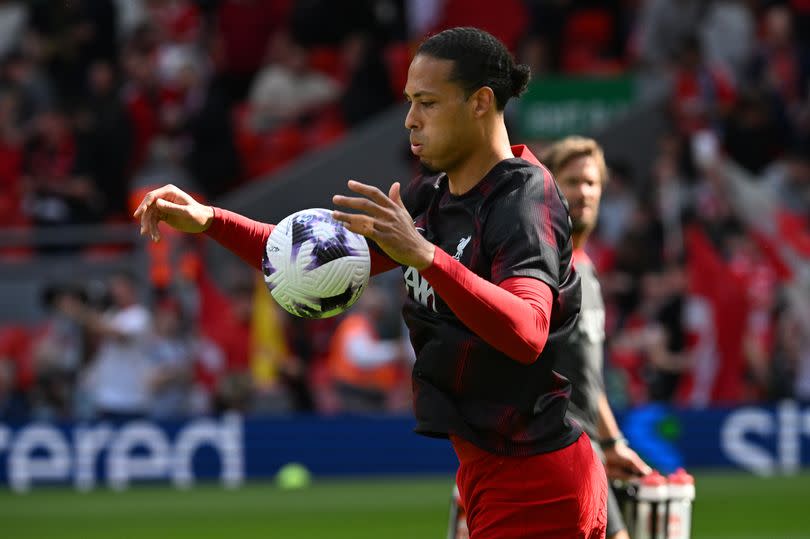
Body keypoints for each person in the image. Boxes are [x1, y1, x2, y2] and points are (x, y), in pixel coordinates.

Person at [134, 27, 607, 538]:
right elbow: (310, 259)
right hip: (490, 469)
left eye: (427, 102)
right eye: (409, 102)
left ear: (480, 102)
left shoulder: (522, 198)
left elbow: (527, 330)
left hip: (536, 480)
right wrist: (211, 220)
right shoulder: (435, 199)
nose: (410, 119)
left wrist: (425, 257)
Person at [541, 136, 652, 539]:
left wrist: (612, 442)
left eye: (591, 182)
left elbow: (591, 382)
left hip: (589, 451)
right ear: (548, 188)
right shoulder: (541, 265)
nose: (583, 192)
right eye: (571, 181)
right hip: (555, 450)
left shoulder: (587, 270)